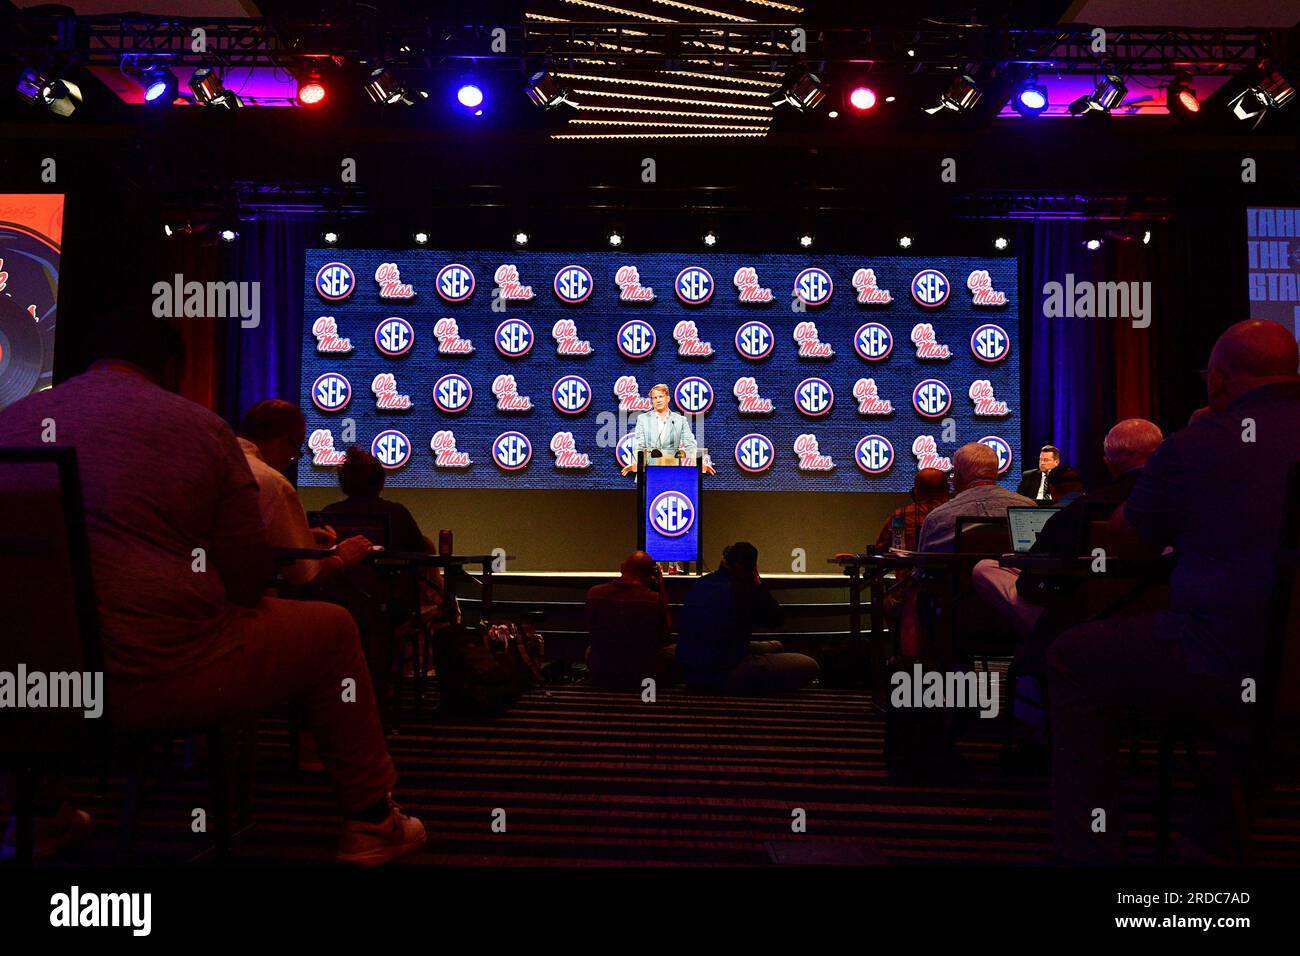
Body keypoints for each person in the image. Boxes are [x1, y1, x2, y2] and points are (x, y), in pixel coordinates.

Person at [0, 315, 424, 865]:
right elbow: (248, 580)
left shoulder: (12, 422)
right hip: (153, 675)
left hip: (29, 685)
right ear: (173, 368)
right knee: (333, 629)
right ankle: (372, 822)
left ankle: (38, 812)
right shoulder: (200, 429)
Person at [1048, 319, 1300, 864]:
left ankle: (1095, 852)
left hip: (1226, 657)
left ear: (1217, 381)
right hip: (1284, 670)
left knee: (1070, 657)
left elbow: (1128, 543)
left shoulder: (1197, 444)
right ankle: (1213, 832)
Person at [972, 419, 1164, 640]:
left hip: (1081, 620)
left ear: (1109, 463)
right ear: (1162, 452)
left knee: (985, 569)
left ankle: (1042, 651)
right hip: (1164, 618)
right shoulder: (1187, 503)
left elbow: (1031, 583)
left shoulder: (1079, 511)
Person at [237, 400, 372, 589]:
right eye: (295, 452)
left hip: (195, 579)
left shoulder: (215, 459)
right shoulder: (274, 483)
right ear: (284, 440)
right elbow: (306, 580)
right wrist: (341, 557)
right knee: (340, 617)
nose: (290, 462)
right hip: (233, 603)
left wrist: (300, 537)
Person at [675, 542, 819, 693]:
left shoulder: (701, 583)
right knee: (808, 665)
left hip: (692, 666)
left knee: (776, 646)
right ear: (750, 568)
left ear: (724, 560)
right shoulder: (743, 590)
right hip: (724, 670)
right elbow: (776, 619)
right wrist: (759, 586)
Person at [917, 443, 1036, 554]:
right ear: (995, 473)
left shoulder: (937, 518)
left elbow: (922, 570)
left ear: (958, 476)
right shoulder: (1028, 508)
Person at [585, 551, 675, 689]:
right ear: (650, 575)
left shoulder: (594, 593)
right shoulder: (653, 600)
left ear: (622, 567)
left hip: (603, 668)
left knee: (590, 649)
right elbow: (667, 631)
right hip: (640, 671)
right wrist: (661, 585)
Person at [622, 383, 715, 475]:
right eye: (655, 398)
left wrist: (699, 463)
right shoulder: (643, 419)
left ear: (668, 398)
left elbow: (690, 445)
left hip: (672, 471)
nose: (658, 400)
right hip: (648, 472)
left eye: (661, 396)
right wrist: (636, 464)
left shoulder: (680, 420)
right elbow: (639, 445)